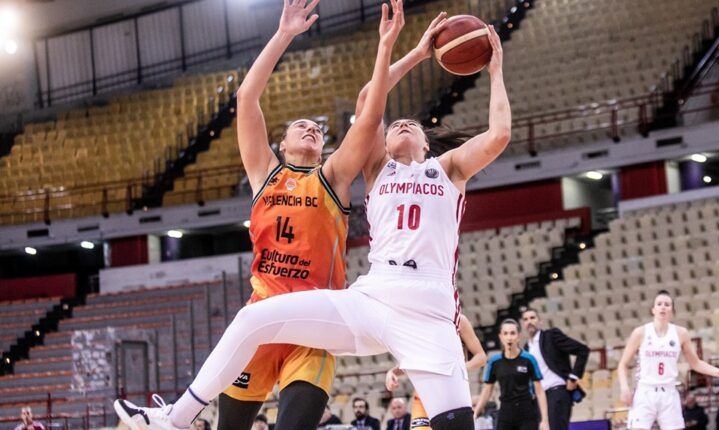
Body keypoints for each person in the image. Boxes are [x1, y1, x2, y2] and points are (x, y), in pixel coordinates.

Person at [114, 0, 512, 427]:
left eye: (410, 124)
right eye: (299, 126)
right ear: (281, 144)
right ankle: (173, 420)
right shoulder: (369, 169)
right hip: (367, 295)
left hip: (425, 304)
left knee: (456, 422)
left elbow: (497, 133)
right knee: (250, 320)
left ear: (428, 143)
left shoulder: (434, 169)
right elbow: (360, 102)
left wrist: (493, 70)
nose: (401, 124)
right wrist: (406, 51)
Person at [617, 290, 719, 430]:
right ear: (653, 309)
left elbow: (695, 363)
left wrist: (717, 372)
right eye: (659, 304)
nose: (663, 307)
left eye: (667, 304)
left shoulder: (681, 333)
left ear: (672, 311)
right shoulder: (640, 333)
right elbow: (622, 364)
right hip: (645, 392)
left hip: (669, 392)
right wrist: (624, 388)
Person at [383, 314, 488, 429]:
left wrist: (460, 368)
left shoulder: (458, 320)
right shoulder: (419, 323)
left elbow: (481, 357)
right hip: (424, 395)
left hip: (453, 392)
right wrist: (393, 372)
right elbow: (414, 360)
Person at [521, 308, 589, 430]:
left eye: (532, 318)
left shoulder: (551, 336)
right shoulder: (526, 348)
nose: (529, 321)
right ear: (523, 324)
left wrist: (573, 377)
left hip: (557, 392)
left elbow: (582, 350)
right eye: (526, 319)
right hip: (539, 399)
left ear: (540, 322)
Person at [474, 319, 550, 430]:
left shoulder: (529, 359)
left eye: (512, 333)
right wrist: (476, 413)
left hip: (527, 412)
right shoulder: (494, 361)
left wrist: (545, 420)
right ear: (500, 336)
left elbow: (539, 391)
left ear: (518, 336)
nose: (509, 337)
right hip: (505, 412)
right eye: (505, 333)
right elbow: (487, 390)